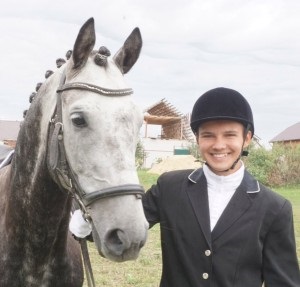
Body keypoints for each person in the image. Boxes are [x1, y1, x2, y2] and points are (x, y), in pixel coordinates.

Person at [142, 87, 300, 287]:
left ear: (247, 139)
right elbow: (116, 227)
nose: (218, 145)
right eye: (208, 135)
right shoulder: (169, 187)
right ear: (198, 139)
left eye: (229, 135)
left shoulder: (275, 208)